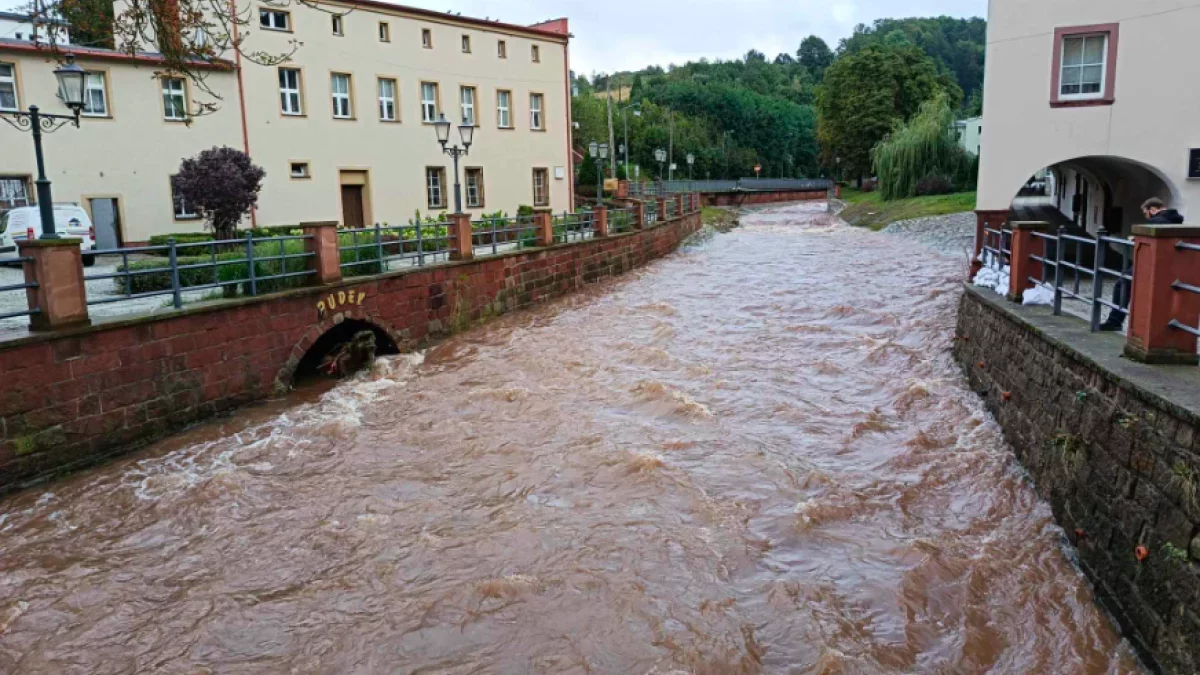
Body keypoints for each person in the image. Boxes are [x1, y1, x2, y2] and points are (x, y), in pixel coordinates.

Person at [1099, 198, 1184, 331]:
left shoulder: (1157, 221)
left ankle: (1115, 320)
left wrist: (1136, 237)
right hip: (1170, 264)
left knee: (1122, 284)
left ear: (1153, 209)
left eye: (1146, 213)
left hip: (1150, 261)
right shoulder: (1176, 220)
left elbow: (1150, 235)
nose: (1146, 216)